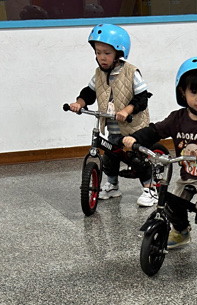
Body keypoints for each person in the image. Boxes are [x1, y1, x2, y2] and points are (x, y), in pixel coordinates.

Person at [122, 57, 197, 262]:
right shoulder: (177, 119)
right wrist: (135, 138)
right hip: (188, 175)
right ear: (182, 92)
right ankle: (181, 232)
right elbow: (155, 130)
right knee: (170, 204)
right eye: (194, 92)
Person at [67, 23, 157, 207]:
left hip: (133, 127)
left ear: (119, 53)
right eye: (98, 52)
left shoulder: (131, 72)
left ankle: (150, 188)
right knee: (110, 156)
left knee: (136, 159)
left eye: (107, 53)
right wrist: (79, 103)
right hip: (113, 128)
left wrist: (126, 110)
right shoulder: (99, 74)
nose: (102, 57)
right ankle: (113, 185)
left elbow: (142, 98)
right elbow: (89, 93)